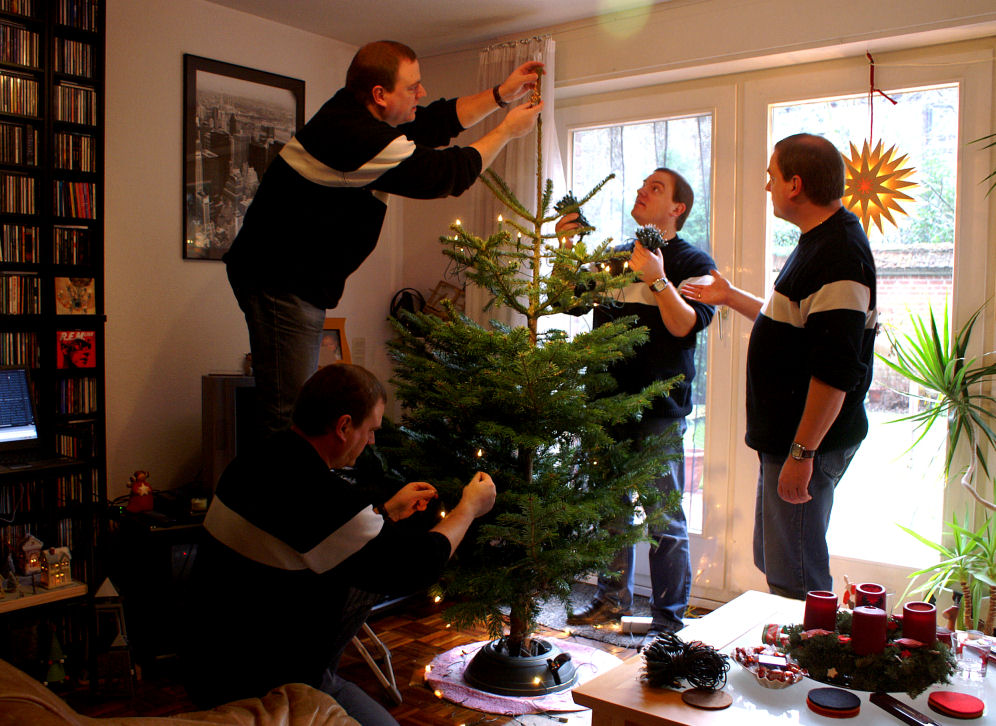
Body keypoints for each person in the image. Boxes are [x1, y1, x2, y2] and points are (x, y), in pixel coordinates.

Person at [224, 40, 544, 435]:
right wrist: (507, 132)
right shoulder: (353, 135)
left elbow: (432, 123)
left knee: (295, 411)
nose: (420, 93)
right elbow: (447, 174)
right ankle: (279, 495)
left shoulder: (358, 115)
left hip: (290, 279)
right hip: (279, 280)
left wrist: (500, 96)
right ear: (379, 94)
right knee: (287, 415)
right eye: (412, 87)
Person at [180, 363, 497, 725]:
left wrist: (386, 512)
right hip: (262, 685)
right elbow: (416, 566)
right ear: (344, 426)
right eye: (371, 429)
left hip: (206, 660)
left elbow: (307, 531)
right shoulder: (322, 497)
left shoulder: (254, 460)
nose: (372, 441)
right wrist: (468, 509)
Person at [680, 133, 877, 600]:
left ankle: (810, 667)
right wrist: (729, 297)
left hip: (806, 444)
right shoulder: (819, 242)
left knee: (799, 578)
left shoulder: (840, 254)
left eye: (771, 176)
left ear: (795, 184)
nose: (767, 186)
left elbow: (835, 371)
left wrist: (802, 454)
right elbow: (791, 325)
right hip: (788, 441)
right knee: (776, 562)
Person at [556, 168, 716, 635]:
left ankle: (668, 620)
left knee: (664, 518)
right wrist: (567, 251)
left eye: (656, 188)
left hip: (658, 414)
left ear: (677, 209)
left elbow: (685, 325)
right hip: (605, 406)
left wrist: (657, 279)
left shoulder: (693, 261)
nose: (642, 192)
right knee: (609, 512)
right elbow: (570, 303)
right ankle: (610, 601)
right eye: (643, 185)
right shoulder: (613, 259)